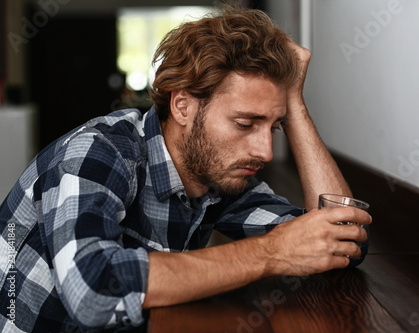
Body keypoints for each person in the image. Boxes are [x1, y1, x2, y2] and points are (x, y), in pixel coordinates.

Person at [0, 6, 371, 332]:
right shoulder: (99, 151)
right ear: (182, 107)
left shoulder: (218, 175)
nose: (265, 152)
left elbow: (342, 237)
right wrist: (272, 252)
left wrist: (294, 105)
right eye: (244, 124)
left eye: (273, 127)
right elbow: (92, 289)